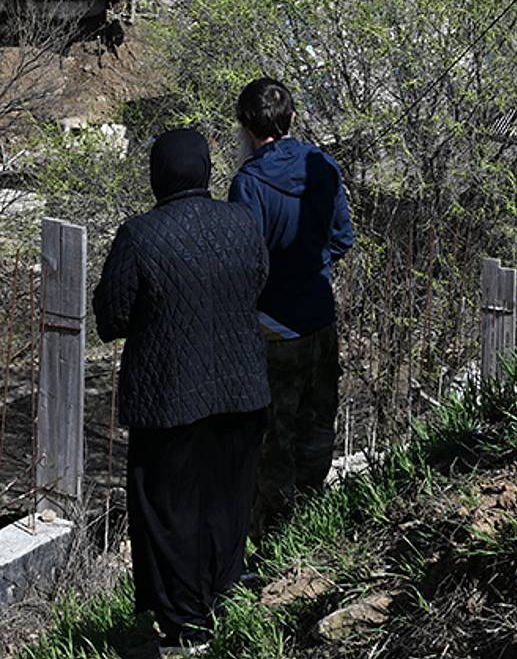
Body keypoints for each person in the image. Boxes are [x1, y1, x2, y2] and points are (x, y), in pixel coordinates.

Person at [93, 128, 269, 655]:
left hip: (169, 398)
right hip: (241, 391)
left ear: (158, 174)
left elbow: (112, 317)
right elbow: (258, 281)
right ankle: (223, 603)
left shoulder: (141, 235)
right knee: (226, 503)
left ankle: (186, 625)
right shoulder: (242, 222)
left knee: (169, 512)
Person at [228, 77, 354, 535]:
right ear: (292, 119)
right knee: (318, 424)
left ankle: (275, 537)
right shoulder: (323, 165)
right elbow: (342, 237)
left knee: (273, 440)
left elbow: (246, 263)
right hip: (320, 318)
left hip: (273, 328)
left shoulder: (248, 184)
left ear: (245, 127)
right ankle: (313, 523)